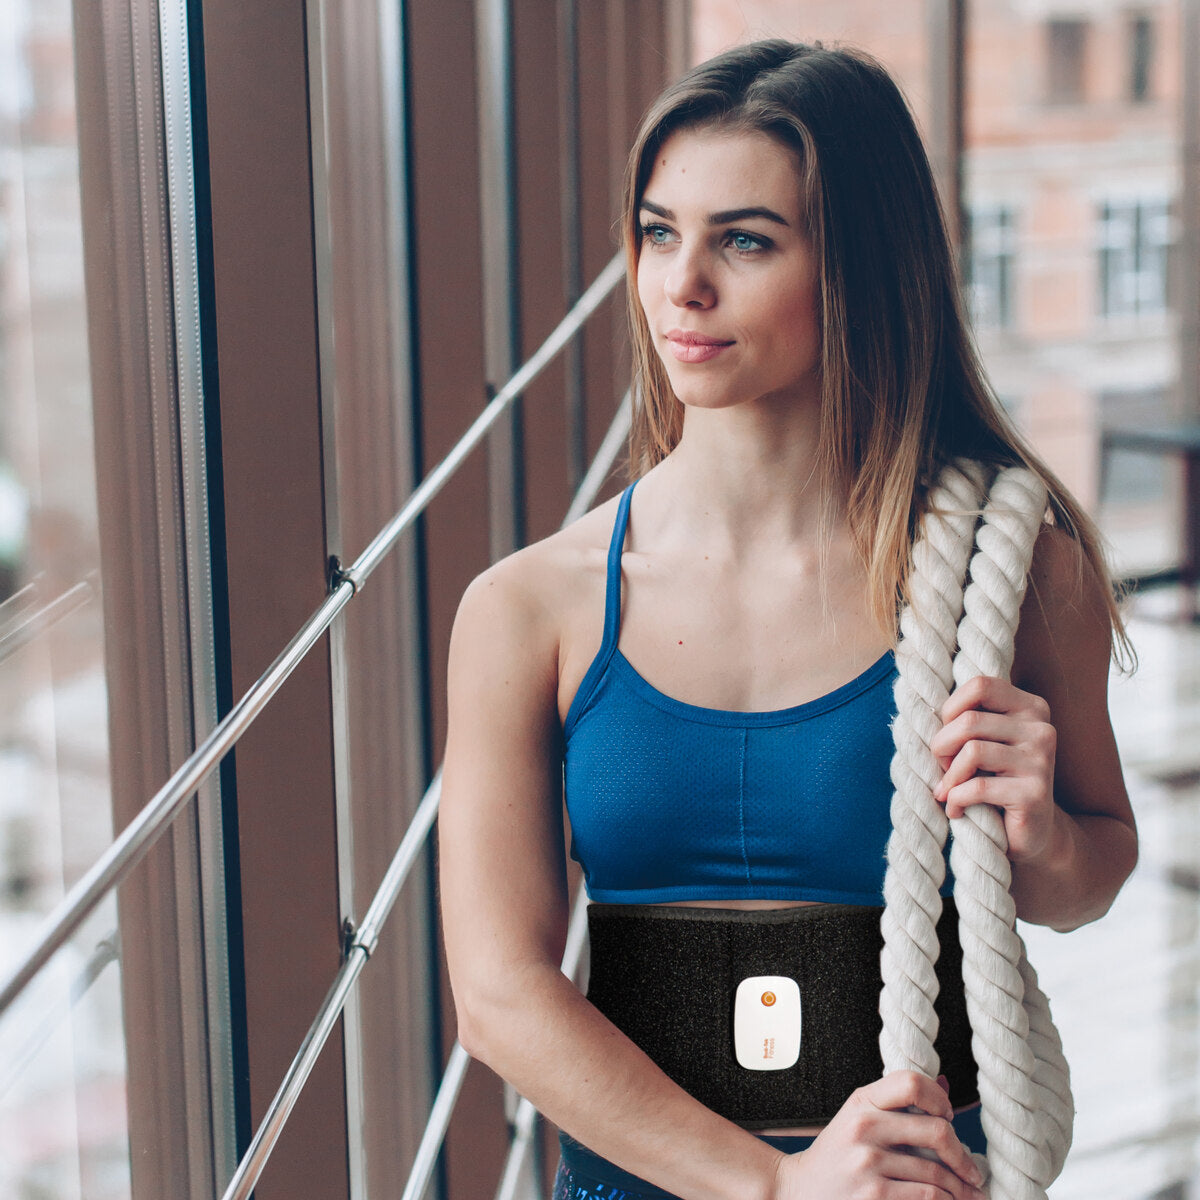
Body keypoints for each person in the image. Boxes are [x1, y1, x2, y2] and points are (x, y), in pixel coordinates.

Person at [439, 39, 1137, 1200]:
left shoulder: (1014, 573)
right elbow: (499, 996)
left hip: (922, 1179)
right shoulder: (527, 607)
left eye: (745, 240)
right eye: (659, 232)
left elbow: (1093, 875)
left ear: (857, 266)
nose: (682, 284)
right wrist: (776, 1187)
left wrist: (1041, 836)